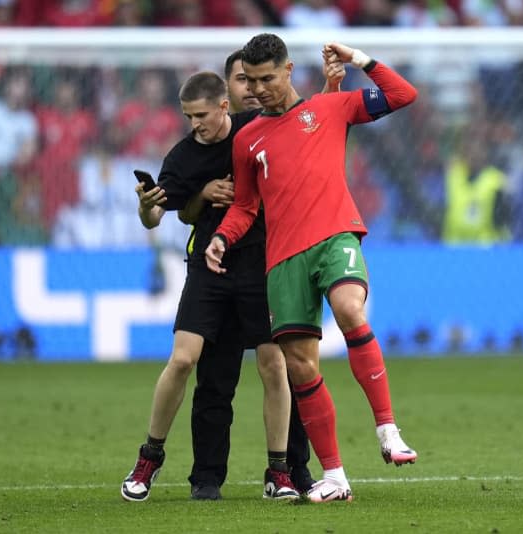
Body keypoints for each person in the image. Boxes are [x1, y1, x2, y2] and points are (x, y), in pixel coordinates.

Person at [121, 52, 344, 502]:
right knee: (189, 362)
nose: (195, 124)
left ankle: (280, 470)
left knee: (275, 363)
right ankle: (153, 459)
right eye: (188, 116)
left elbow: (310, 127)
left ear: (224, 106)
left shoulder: (256, 130)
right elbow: (161, 214)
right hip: (210, 263)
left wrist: (333, 87)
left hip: (265, 261)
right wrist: (157, 203)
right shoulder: (182, 157)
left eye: (200, 115)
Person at [205, 34, 419, 503]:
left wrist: (359, 58)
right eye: (250, 80)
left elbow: (403, 94)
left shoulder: (330, 108)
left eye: (266, 78)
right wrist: (222, 236)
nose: (257, 89)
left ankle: (388, 429)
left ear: (287, 70)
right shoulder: (245, 139)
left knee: (350, 310)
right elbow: (244, 206)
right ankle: (336, 477)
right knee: (301, 368)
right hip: (282, 259)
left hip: (334, 235)